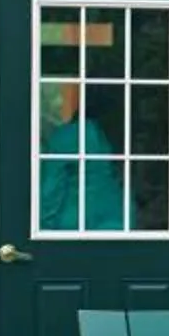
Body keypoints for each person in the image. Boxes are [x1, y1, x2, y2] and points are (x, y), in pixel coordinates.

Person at [37, 82, 128, 231]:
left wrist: (42, 230)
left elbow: (51, 191)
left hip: (73, 224)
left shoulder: (68, 136)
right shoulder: (123, 135)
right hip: (118, 220)